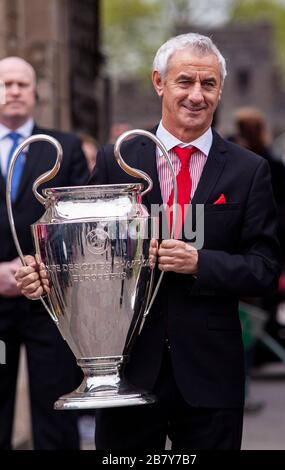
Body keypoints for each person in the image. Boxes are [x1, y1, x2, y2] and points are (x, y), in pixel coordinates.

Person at [16, 34, 281, 450]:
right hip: (128, 368)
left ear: (220, 90)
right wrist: (45, 277)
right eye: (184, 81)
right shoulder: (117, 158)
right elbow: (80, 247)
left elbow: (265, 270)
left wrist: (199, 263)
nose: (196, 95)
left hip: (212, 374)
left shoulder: (250, 171)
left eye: (208, 84)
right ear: (159, 82)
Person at [0, 57, 89, 449]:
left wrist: (42, 268)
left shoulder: (63, 148)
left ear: (36, 92)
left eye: (23, 84)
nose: (14, 91)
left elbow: (81, 225)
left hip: (49, 302)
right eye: (6, 84)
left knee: (55, 409)